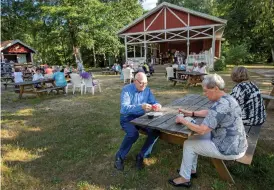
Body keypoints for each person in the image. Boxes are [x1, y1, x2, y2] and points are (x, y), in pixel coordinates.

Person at [168, 74, 247, 188]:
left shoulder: (220, 105)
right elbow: (210, 112)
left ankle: (184, 178)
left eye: (206, 91)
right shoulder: (227, 98)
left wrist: (183, 120)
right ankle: (191, 170)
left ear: (215, 88)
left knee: (189, 144)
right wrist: (191, 113)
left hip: (229, 148)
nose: (204, 94)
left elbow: (202, 130)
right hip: (237, 143)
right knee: (193, 139)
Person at [115, 72, 162, 171]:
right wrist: (140, 106)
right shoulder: (126, 90)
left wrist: (157, 105)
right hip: (127, 118)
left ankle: (141, 155)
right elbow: (124, 109)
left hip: (142, 117)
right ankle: (119, 157)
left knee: (155, 131)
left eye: (146, 83)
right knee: (133, 134)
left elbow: (154, 102)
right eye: (141, 83)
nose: (144, 86)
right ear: (135, 81)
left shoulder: (147, 90)